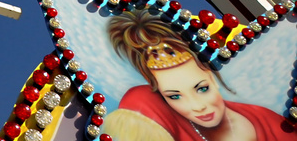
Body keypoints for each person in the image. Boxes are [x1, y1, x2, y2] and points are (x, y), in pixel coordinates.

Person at [103, 12, 289, 141]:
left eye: (202, 88)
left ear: (213, 78)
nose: (197, 107)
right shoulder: (154, 114)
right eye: (174, 96)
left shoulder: (271, 121)